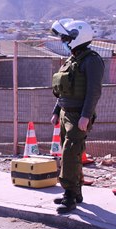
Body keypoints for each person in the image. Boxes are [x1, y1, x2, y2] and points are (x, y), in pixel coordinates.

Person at [50, 19, 104, 214]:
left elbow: (94, 91)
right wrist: (57, 111)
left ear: (77, 37)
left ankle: (70, 197)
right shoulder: (73, 59)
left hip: (78, 116)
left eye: (66, 38)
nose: (64, 41)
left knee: (70, 154)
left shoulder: (92, 60)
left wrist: (85, 116)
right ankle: (77, 192)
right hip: (66, 114)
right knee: (71, 154)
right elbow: (64, 90)